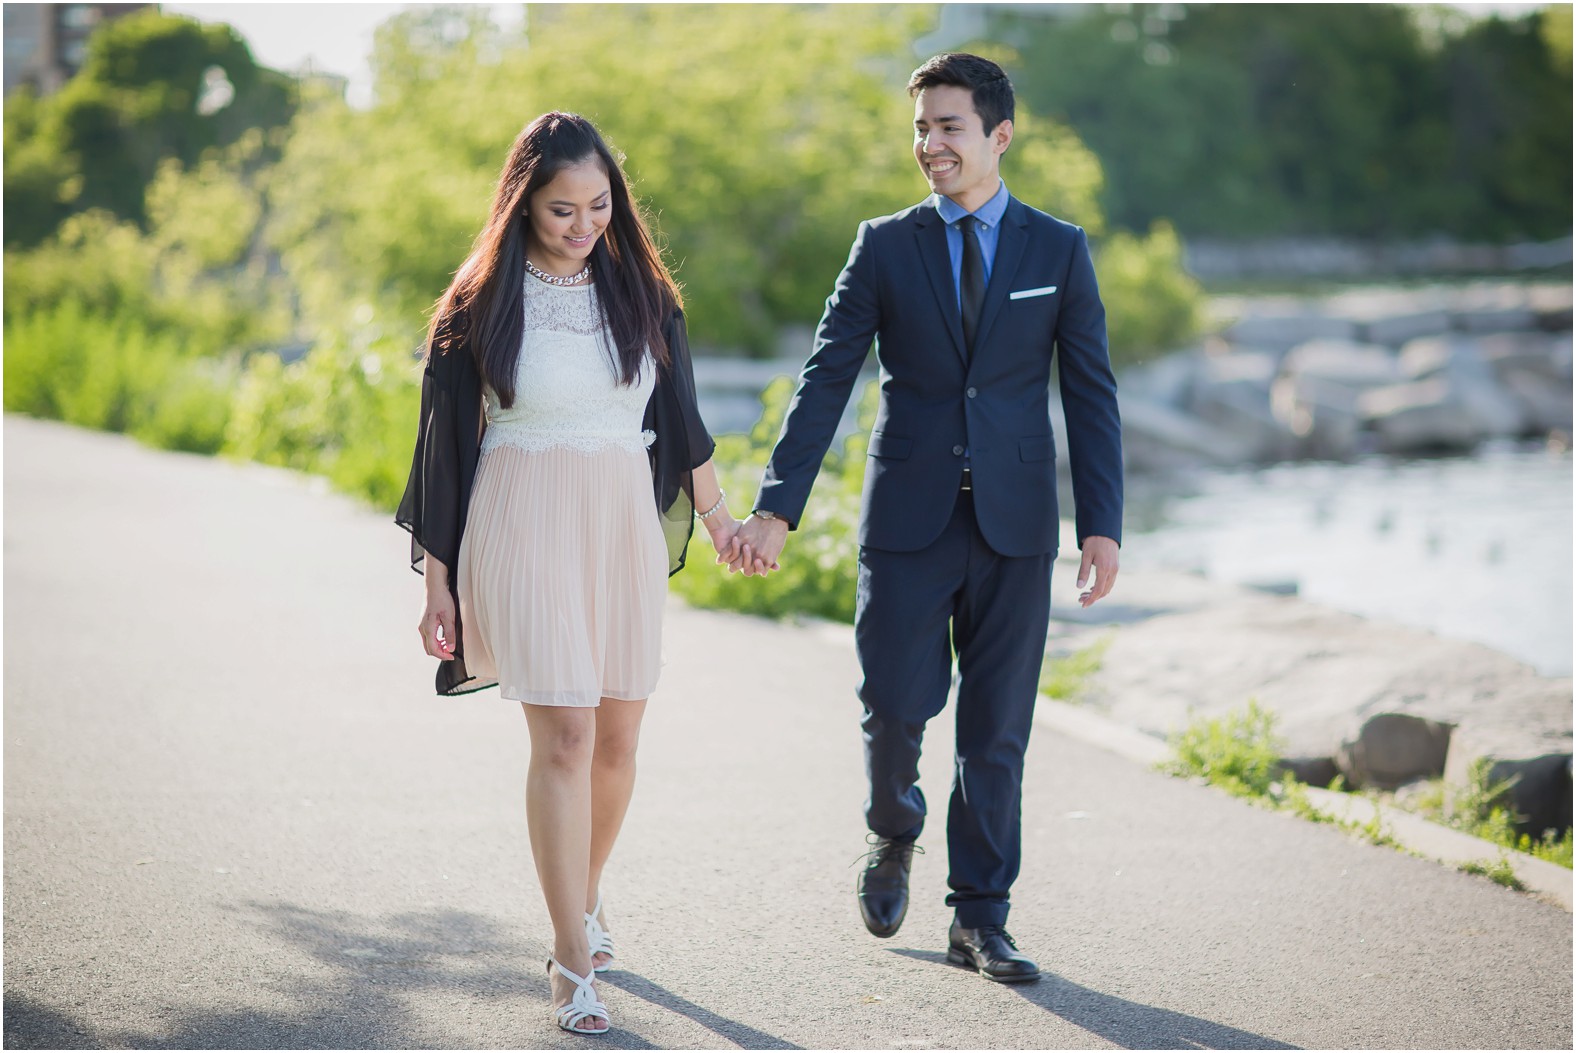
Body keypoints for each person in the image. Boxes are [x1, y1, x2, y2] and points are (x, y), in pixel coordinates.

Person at [729, 54, 1123, 983]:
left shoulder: (1057, 248)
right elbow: (828, 377)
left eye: (947, 127)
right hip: (907, 520)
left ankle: (981, 918)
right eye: (920, 129)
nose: (929, 145)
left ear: (998, 135)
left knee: (997, 730)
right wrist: (777, 507)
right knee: (895, 703)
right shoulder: (884, 245)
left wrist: (1101, 523)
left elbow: (1091, 393)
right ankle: (892, 828)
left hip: (1018, 525)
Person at [396, 112, 737, 1035]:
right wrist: (438, 581)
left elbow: (686, 424)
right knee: (565, 743)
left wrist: (724, 519)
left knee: (619, 745)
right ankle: (570, 957)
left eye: (598, 205)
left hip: (620, 526)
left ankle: (582, 899)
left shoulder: (644, 295)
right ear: (520, 204)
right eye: (560, 209)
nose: (583, 224)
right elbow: (443, 452)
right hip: (521, 522)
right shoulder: (477, 304)